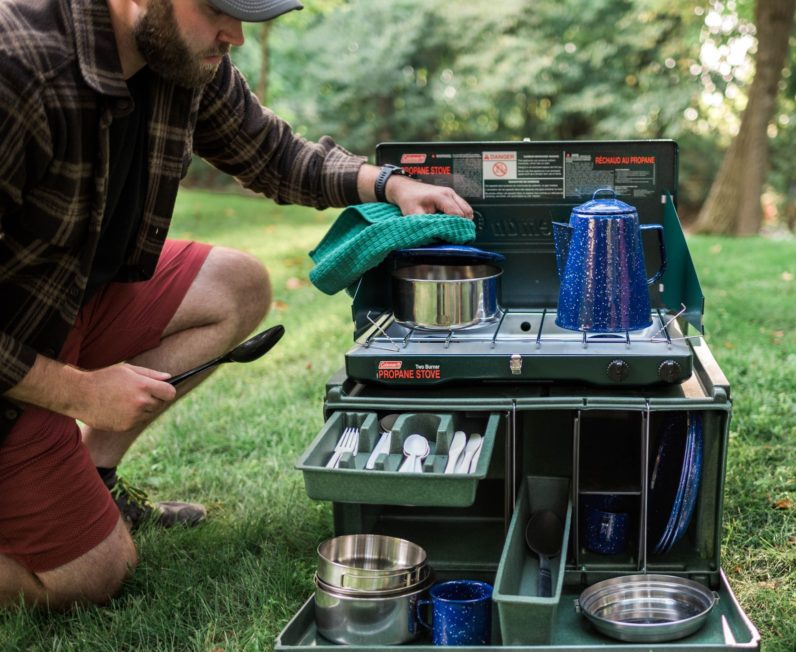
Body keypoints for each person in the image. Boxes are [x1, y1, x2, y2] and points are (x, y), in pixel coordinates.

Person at [0, 0, 473, 610]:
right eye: (218, 8)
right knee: (91, 576)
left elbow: (272, 154)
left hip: (63, 302)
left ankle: (95, 477)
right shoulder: (18, 70)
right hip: (17, 354)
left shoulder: (177, 53)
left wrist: (387, 183)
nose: (237, 36)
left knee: (237, 284)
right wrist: (79, 393)